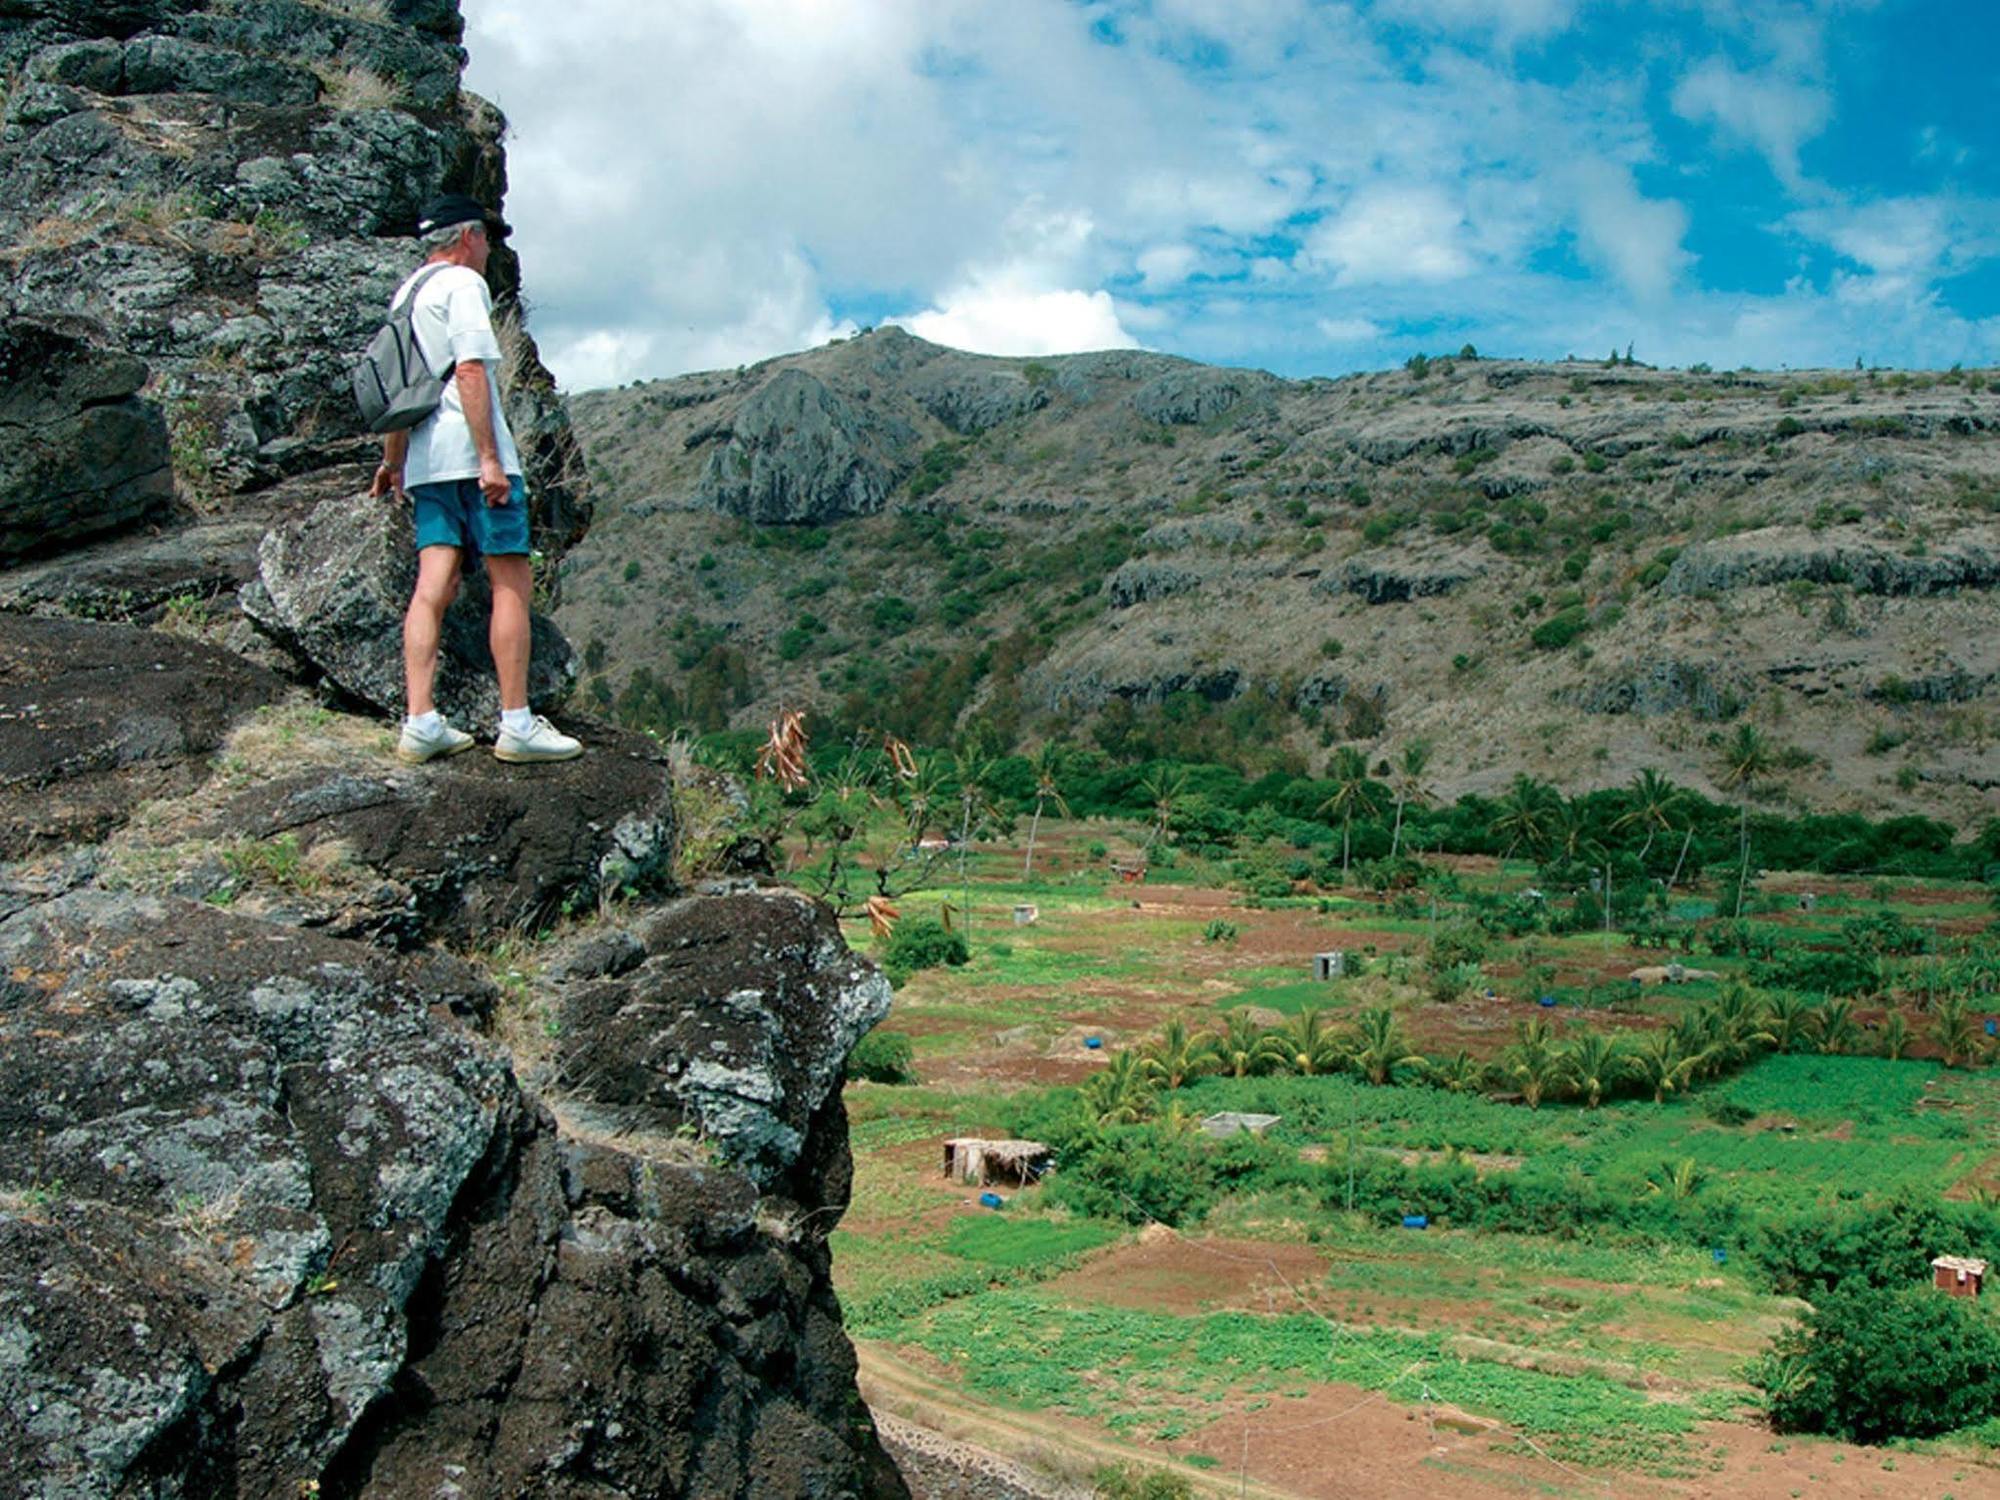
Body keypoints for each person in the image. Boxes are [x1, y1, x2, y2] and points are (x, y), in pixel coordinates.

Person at [368, 193, 582, 765]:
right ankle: (516, 722)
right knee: (510, 579)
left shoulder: (407, 294)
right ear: (465, 238)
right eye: (486, 236)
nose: (489, 247)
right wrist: (490, 458)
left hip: (425, 463)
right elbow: (468, 369)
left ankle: (421, 719)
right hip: (473, 456)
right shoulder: (463, 286)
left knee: (431, 584)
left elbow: (401, 390)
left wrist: (393, 463)